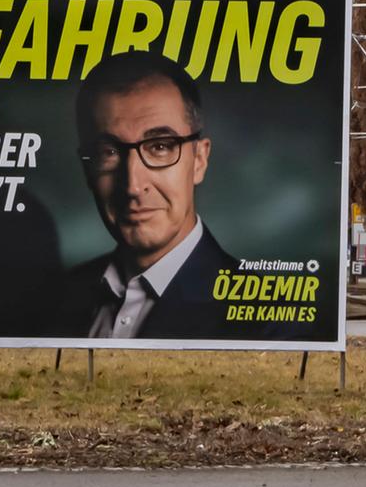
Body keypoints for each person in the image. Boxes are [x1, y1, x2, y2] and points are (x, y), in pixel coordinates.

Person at [59, 50, 236, 339]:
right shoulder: (56, 297)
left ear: (199, 160)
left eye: (160, 147)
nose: (132, 186)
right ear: (86, 169)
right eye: (109, 152)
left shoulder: (267, 320)